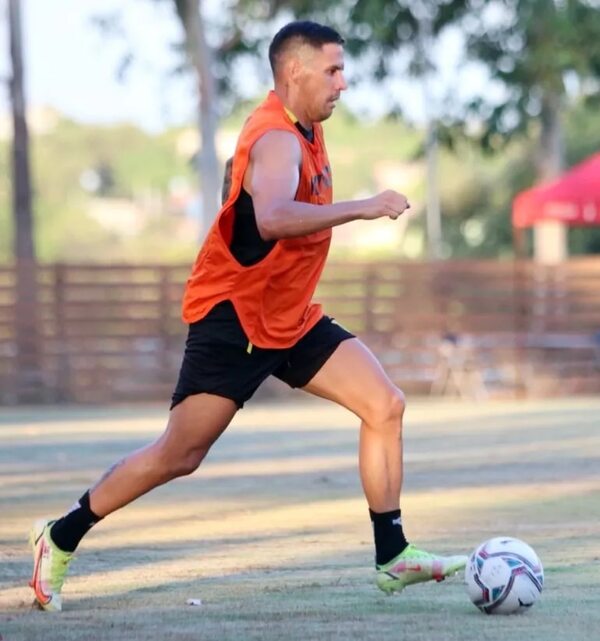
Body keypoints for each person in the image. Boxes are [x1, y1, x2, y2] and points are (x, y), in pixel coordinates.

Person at [29, 20, 467, 612]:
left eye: (344, 69)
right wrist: (364, 206)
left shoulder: (307, 129)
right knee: (178, 455)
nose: (344, 82)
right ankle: (60, 536)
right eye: (333, 70)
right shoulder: (276, 138)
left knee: (384, 404)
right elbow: (273, 218)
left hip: (290, 316)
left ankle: (392, 556)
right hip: (234, 319)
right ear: (295, 72)